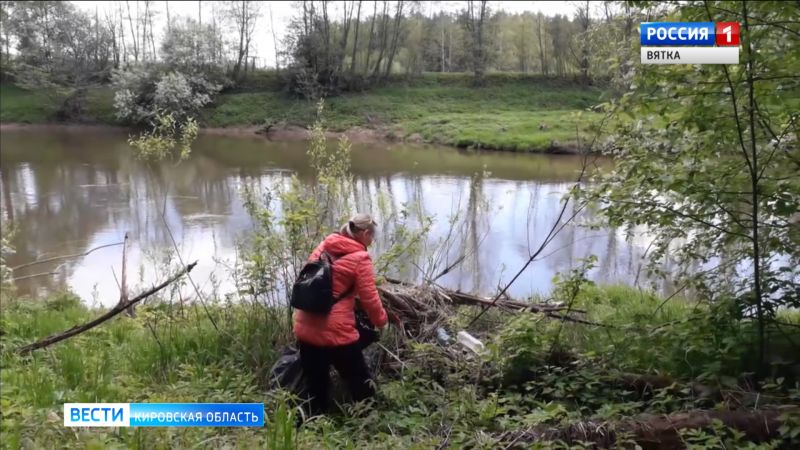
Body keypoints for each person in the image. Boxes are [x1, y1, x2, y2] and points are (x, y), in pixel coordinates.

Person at [293, 213, 388, 414]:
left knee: (315, 385)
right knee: (361, 382)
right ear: (363, 234)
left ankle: (314, 423)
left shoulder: (325, 246)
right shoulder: (360, 258)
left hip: (305, 327)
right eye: (372, 236)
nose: (372, 241)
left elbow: (312, 276)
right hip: (336, 333)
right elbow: (370, 299)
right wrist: (382, 321)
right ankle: (369, 422)